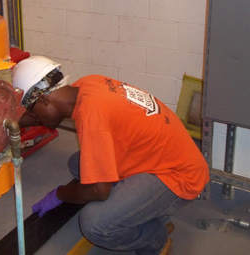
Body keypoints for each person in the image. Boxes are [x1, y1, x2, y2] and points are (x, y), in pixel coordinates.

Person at [12, 56, 210, 255]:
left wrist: (59, 194)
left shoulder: (93, 117)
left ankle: (156, 238)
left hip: (179, 176)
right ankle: (143, 212)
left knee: (95, 223)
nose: (35, 117)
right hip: (168, 156)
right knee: (78, 164)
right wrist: (11, 125)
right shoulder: (88, 84)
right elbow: (43, 115)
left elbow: (99, 191)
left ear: (44, 99)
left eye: (32, 111)